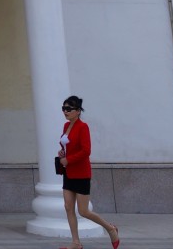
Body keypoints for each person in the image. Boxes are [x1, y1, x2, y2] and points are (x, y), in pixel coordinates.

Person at [57, 95, 120, 249]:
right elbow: (69, 145)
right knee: (68, 206)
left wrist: (69, 159)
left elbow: (86, 151)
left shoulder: (83, 127)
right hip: (68, 172)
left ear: (78, 111)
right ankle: (76, 243)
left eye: (69, 109)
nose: (65, 111)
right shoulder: (66, 126)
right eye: (64, 108)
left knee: (84, 211)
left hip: (81, 173)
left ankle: (110, 228)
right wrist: (63, 153)